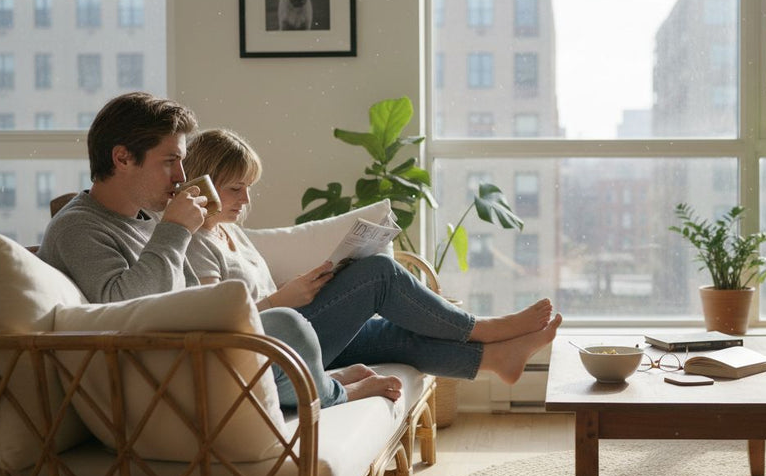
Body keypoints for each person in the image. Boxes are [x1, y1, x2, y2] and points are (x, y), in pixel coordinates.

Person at [38, 92, 405, 407]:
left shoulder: (145, 219)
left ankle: (320, 382)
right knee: (287, 324)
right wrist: (176, 229)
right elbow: (121, 308)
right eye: (170, 161)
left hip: (189, 352)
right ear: (122, 158)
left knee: (285, 327)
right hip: (153, 378)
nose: (181, 175)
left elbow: (192, 298)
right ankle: (335, 391)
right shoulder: (78, 227)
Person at [181, 128, 561, 408]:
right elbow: (220, 323)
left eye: (249, 187)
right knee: (380, 272)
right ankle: (484, 328)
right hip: (278, 350)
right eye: (235, 188)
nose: (246, 199)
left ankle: (496, 358)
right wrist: (283, 297)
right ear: (205, 183)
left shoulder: (232, 232)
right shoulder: (195, 244)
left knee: (394, 336)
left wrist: (309, 284)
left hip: (297, 333)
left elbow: (258, 296)